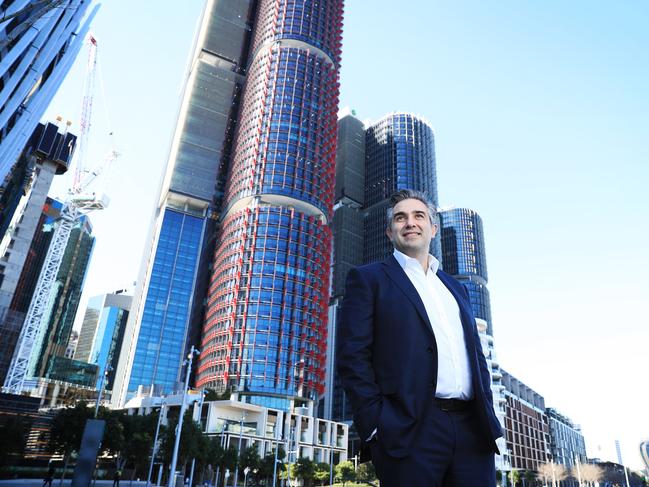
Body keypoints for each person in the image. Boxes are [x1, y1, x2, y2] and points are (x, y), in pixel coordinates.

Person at [337, 189, 503, 486]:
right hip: (409, 430)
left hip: (472, 431)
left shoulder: (456, 288)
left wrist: (487, 412)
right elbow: (353, 357)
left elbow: (477, 357)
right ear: (390, 232)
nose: (410, 223)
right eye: (400, 218)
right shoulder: (369, 279)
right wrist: (375, 425)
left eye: (418, 216)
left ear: (433, 228)